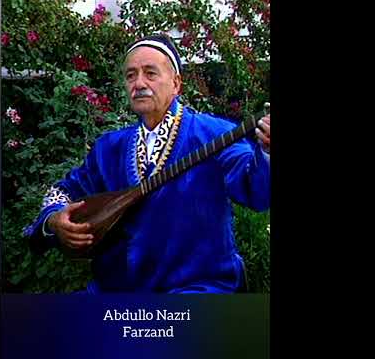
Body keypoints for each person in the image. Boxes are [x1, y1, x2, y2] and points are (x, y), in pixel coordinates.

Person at [24, 33, 270, 293]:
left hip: (198, 288)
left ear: (176, 84)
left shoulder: (214, 134)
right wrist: (53, 221)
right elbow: (63, 191)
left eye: (150, 73)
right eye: (131, 75)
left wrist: (266, 153)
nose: (138, 83)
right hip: (115, 292)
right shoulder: (109, 148)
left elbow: (256, 190)